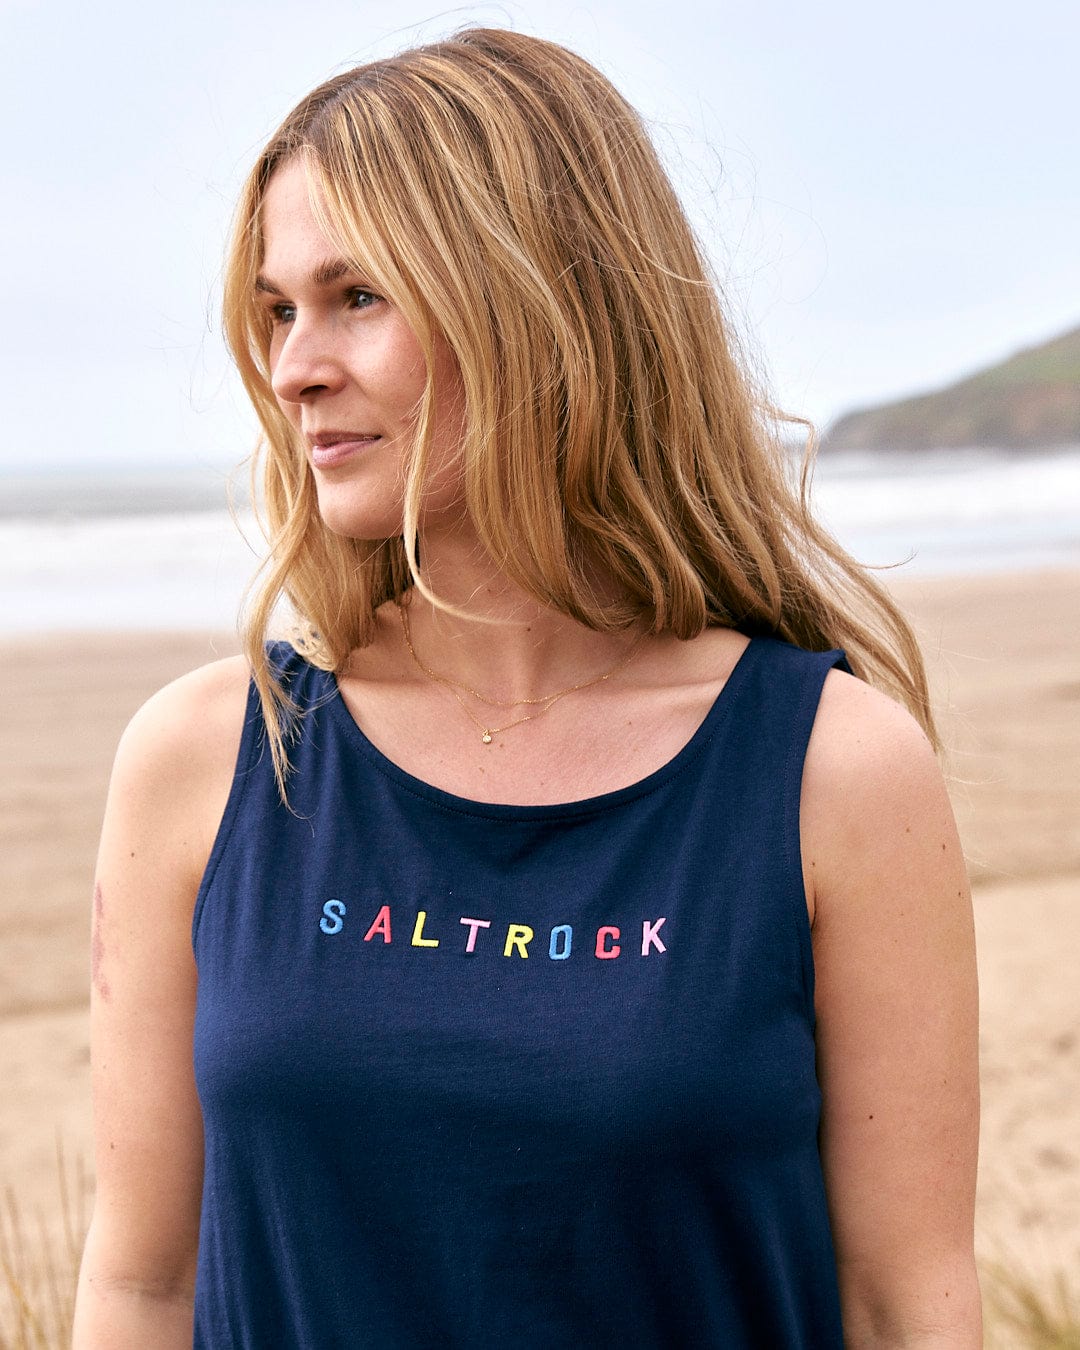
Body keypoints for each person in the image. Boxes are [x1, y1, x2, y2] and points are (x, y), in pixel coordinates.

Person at [73, 26, 980, 1348]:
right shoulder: (214, 758)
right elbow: (140, 1284)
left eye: (357, 295)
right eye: (277, 308)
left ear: (538, 300)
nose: (293, 366)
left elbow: (907, 1306)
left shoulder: (835, 771)